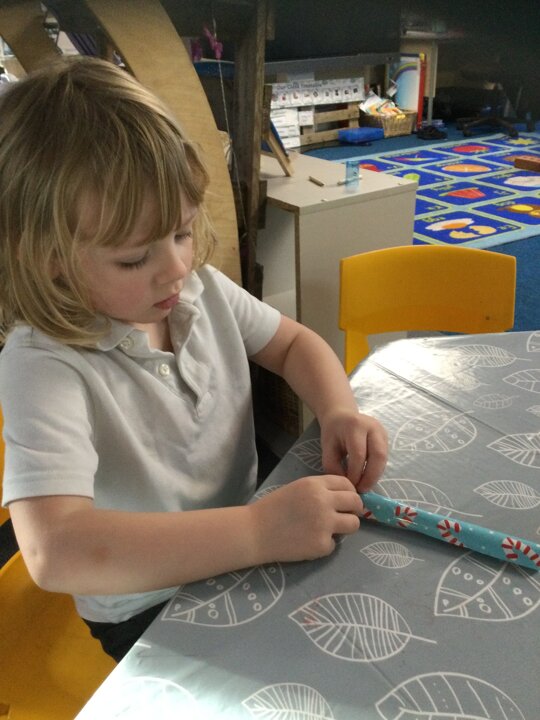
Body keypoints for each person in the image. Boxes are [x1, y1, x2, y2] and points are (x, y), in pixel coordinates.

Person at [0, 58, 387, 661]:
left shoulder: (199, 289)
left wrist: (338, 410)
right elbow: (55, 550)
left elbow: (293, 345)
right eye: (134, 258)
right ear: (47, 257)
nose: (177, 267)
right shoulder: (43, 364)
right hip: (147, 600)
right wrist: (258, 531)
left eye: (181, 233)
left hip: (252, 539)